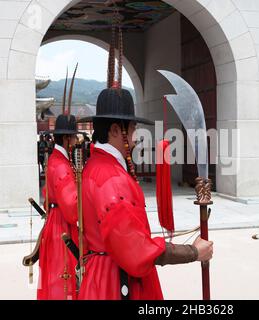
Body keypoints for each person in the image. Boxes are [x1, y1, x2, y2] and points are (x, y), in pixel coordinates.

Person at [78, 88, 213, 300]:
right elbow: (134, 248)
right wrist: (193, 252)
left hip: (103, 271)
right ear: (115, 130)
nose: (134, 138)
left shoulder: (96, 165)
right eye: (132, 129)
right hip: (116, 281)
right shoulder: (111, 178)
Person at [37, 114, 81, 300]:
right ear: (65, 139)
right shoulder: (61, 166)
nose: (76, 141)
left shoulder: (55, 160)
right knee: (62, 276)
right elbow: (72, 208)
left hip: (55, 219)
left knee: (56, 275)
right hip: (62, 226)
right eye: (73, 137)